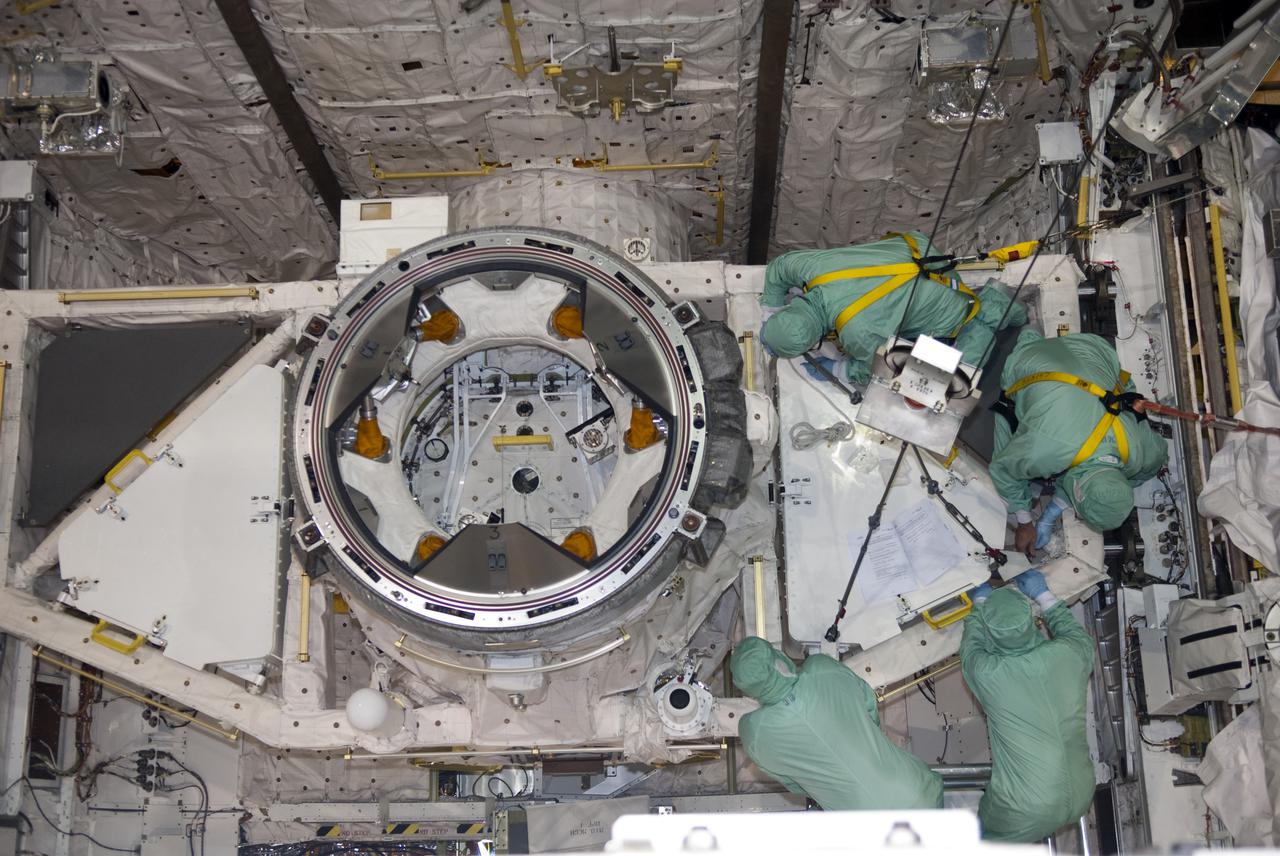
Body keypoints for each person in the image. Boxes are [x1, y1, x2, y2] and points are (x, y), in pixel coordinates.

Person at [759, 232, 1026, 385]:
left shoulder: (857, 332)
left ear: (816, 341)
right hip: (918, 251)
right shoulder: (812, 270)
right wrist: (768, 309)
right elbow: (779, 268)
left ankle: (993, 311)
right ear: (789, 306)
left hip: (948, 303)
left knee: (933, 376)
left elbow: (876, 367)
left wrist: (837, 371)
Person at [989, 328, 1168, 552]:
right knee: (1008, 417)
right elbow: (1003, 470)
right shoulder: (1048, 450)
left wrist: (1049, 515)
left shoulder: (1141, 455)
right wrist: (1025, 521)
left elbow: (1158, 456)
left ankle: (1038, 337)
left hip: (1094, 350)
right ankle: (1028, 334)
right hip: (1031, 361)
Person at [730, 636, 943, 810]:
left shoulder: (753, 733)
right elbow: (869, 705)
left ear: (748, 688)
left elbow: (795, 785)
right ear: (778, 658)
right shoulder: (820, 668)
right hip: (917, 793)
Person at [961, 571, 1095, 842]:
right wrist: (1042, 593)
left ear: (991, 632)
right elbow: (1071, 631)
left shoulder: (989, 673)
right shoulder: (1071, 653)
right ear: (1032, 621)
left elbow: (970, 647)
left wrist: (980, 604)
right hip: (1081, 793)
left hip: (1026, 807)